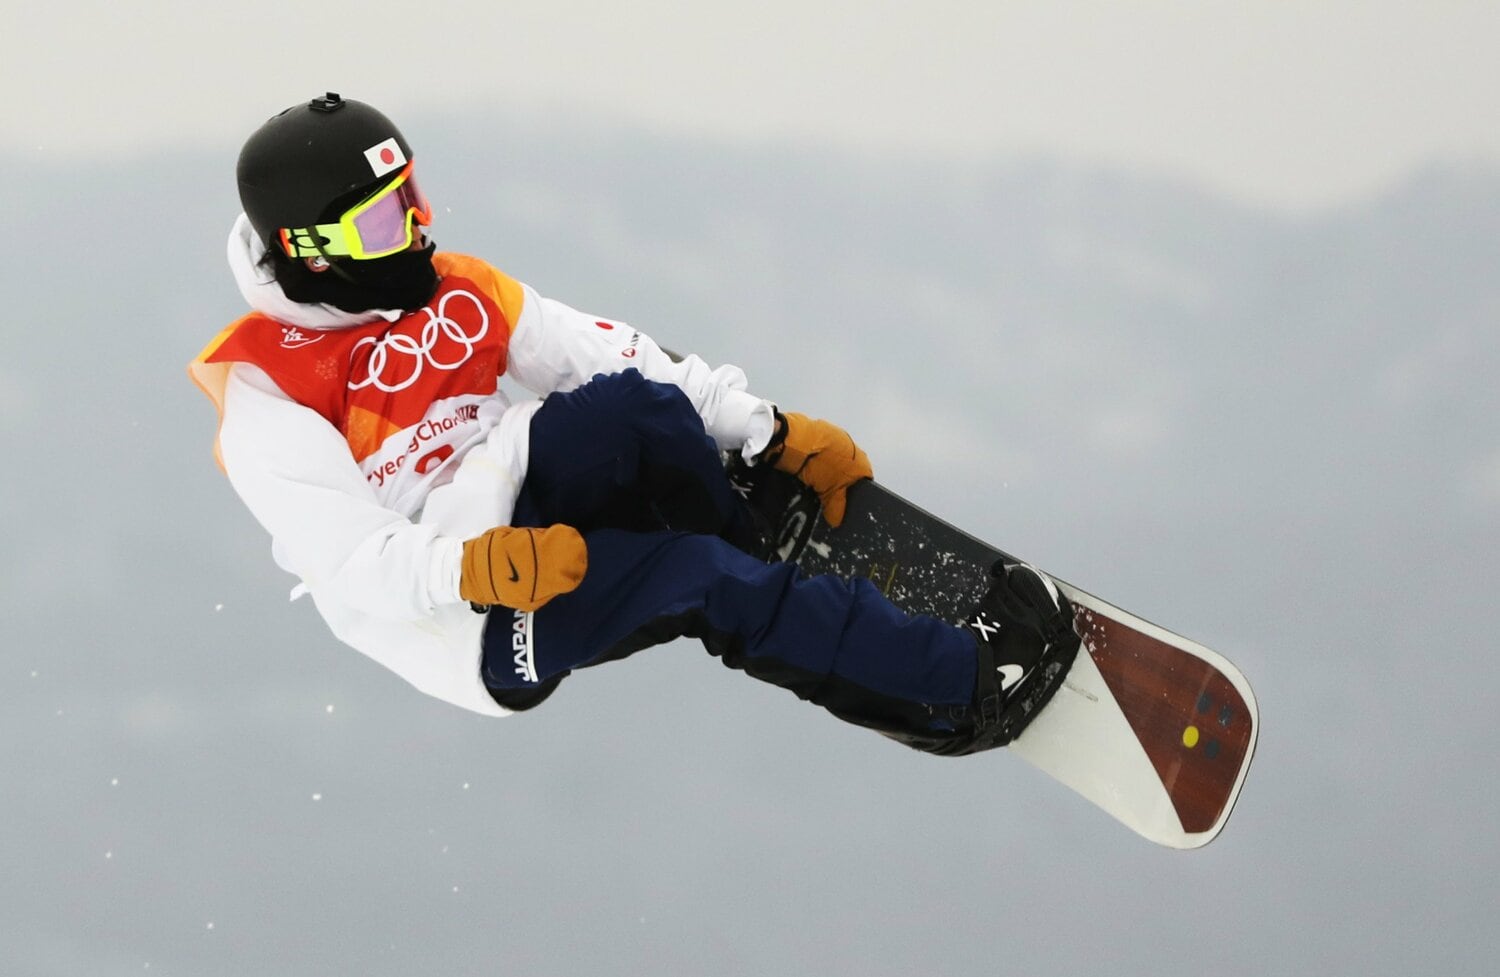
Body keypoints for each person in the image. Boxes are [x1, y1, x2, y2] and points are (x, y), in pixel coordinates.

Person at [189, 93, 1079, 755]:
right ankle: (962, 681)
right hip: (474, 621)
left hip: (517, 491)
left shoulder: (458, 288)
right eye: (386, 220)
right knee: (699, 579)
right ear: (315, 249)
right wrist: (475, 566)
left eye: (415, 197)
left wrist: (761, 427)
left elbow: (600, 352)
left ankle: (756, 555)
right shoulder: (268, 391)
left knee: (634, 410)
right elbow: (351, 567)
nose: (418, 232)